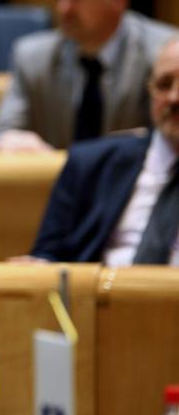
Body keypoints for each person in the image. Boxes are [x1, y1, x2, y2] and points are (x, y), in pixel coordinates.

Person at [0, 0, 177, 152]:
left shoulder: (165, 54)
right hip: (57, 172)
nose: (64, 8)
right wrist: (9, 140)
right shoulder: (32, 57)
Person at [14, 36, 179, 265]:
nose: (174, 98)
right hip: (102, 285)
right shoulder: (90, 163)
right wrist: (37, 267)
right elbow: (48, 257)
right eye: (164, 84)